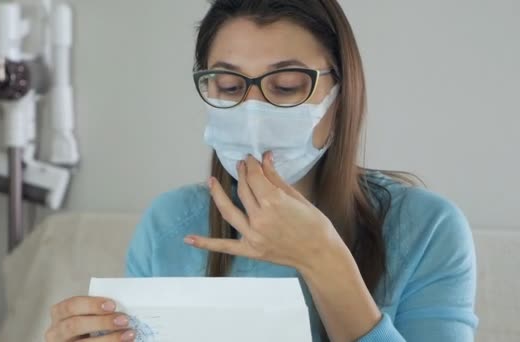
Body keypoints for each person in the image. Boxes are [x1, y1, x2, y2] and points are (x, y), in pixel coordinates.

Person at [45, 1, 478, 341]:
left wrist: (324, 261)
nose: (253, 111)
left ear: (343, 94)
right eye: (230, 86)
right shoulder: (168, 224)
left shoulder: (427, 228)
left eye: (286, 86)